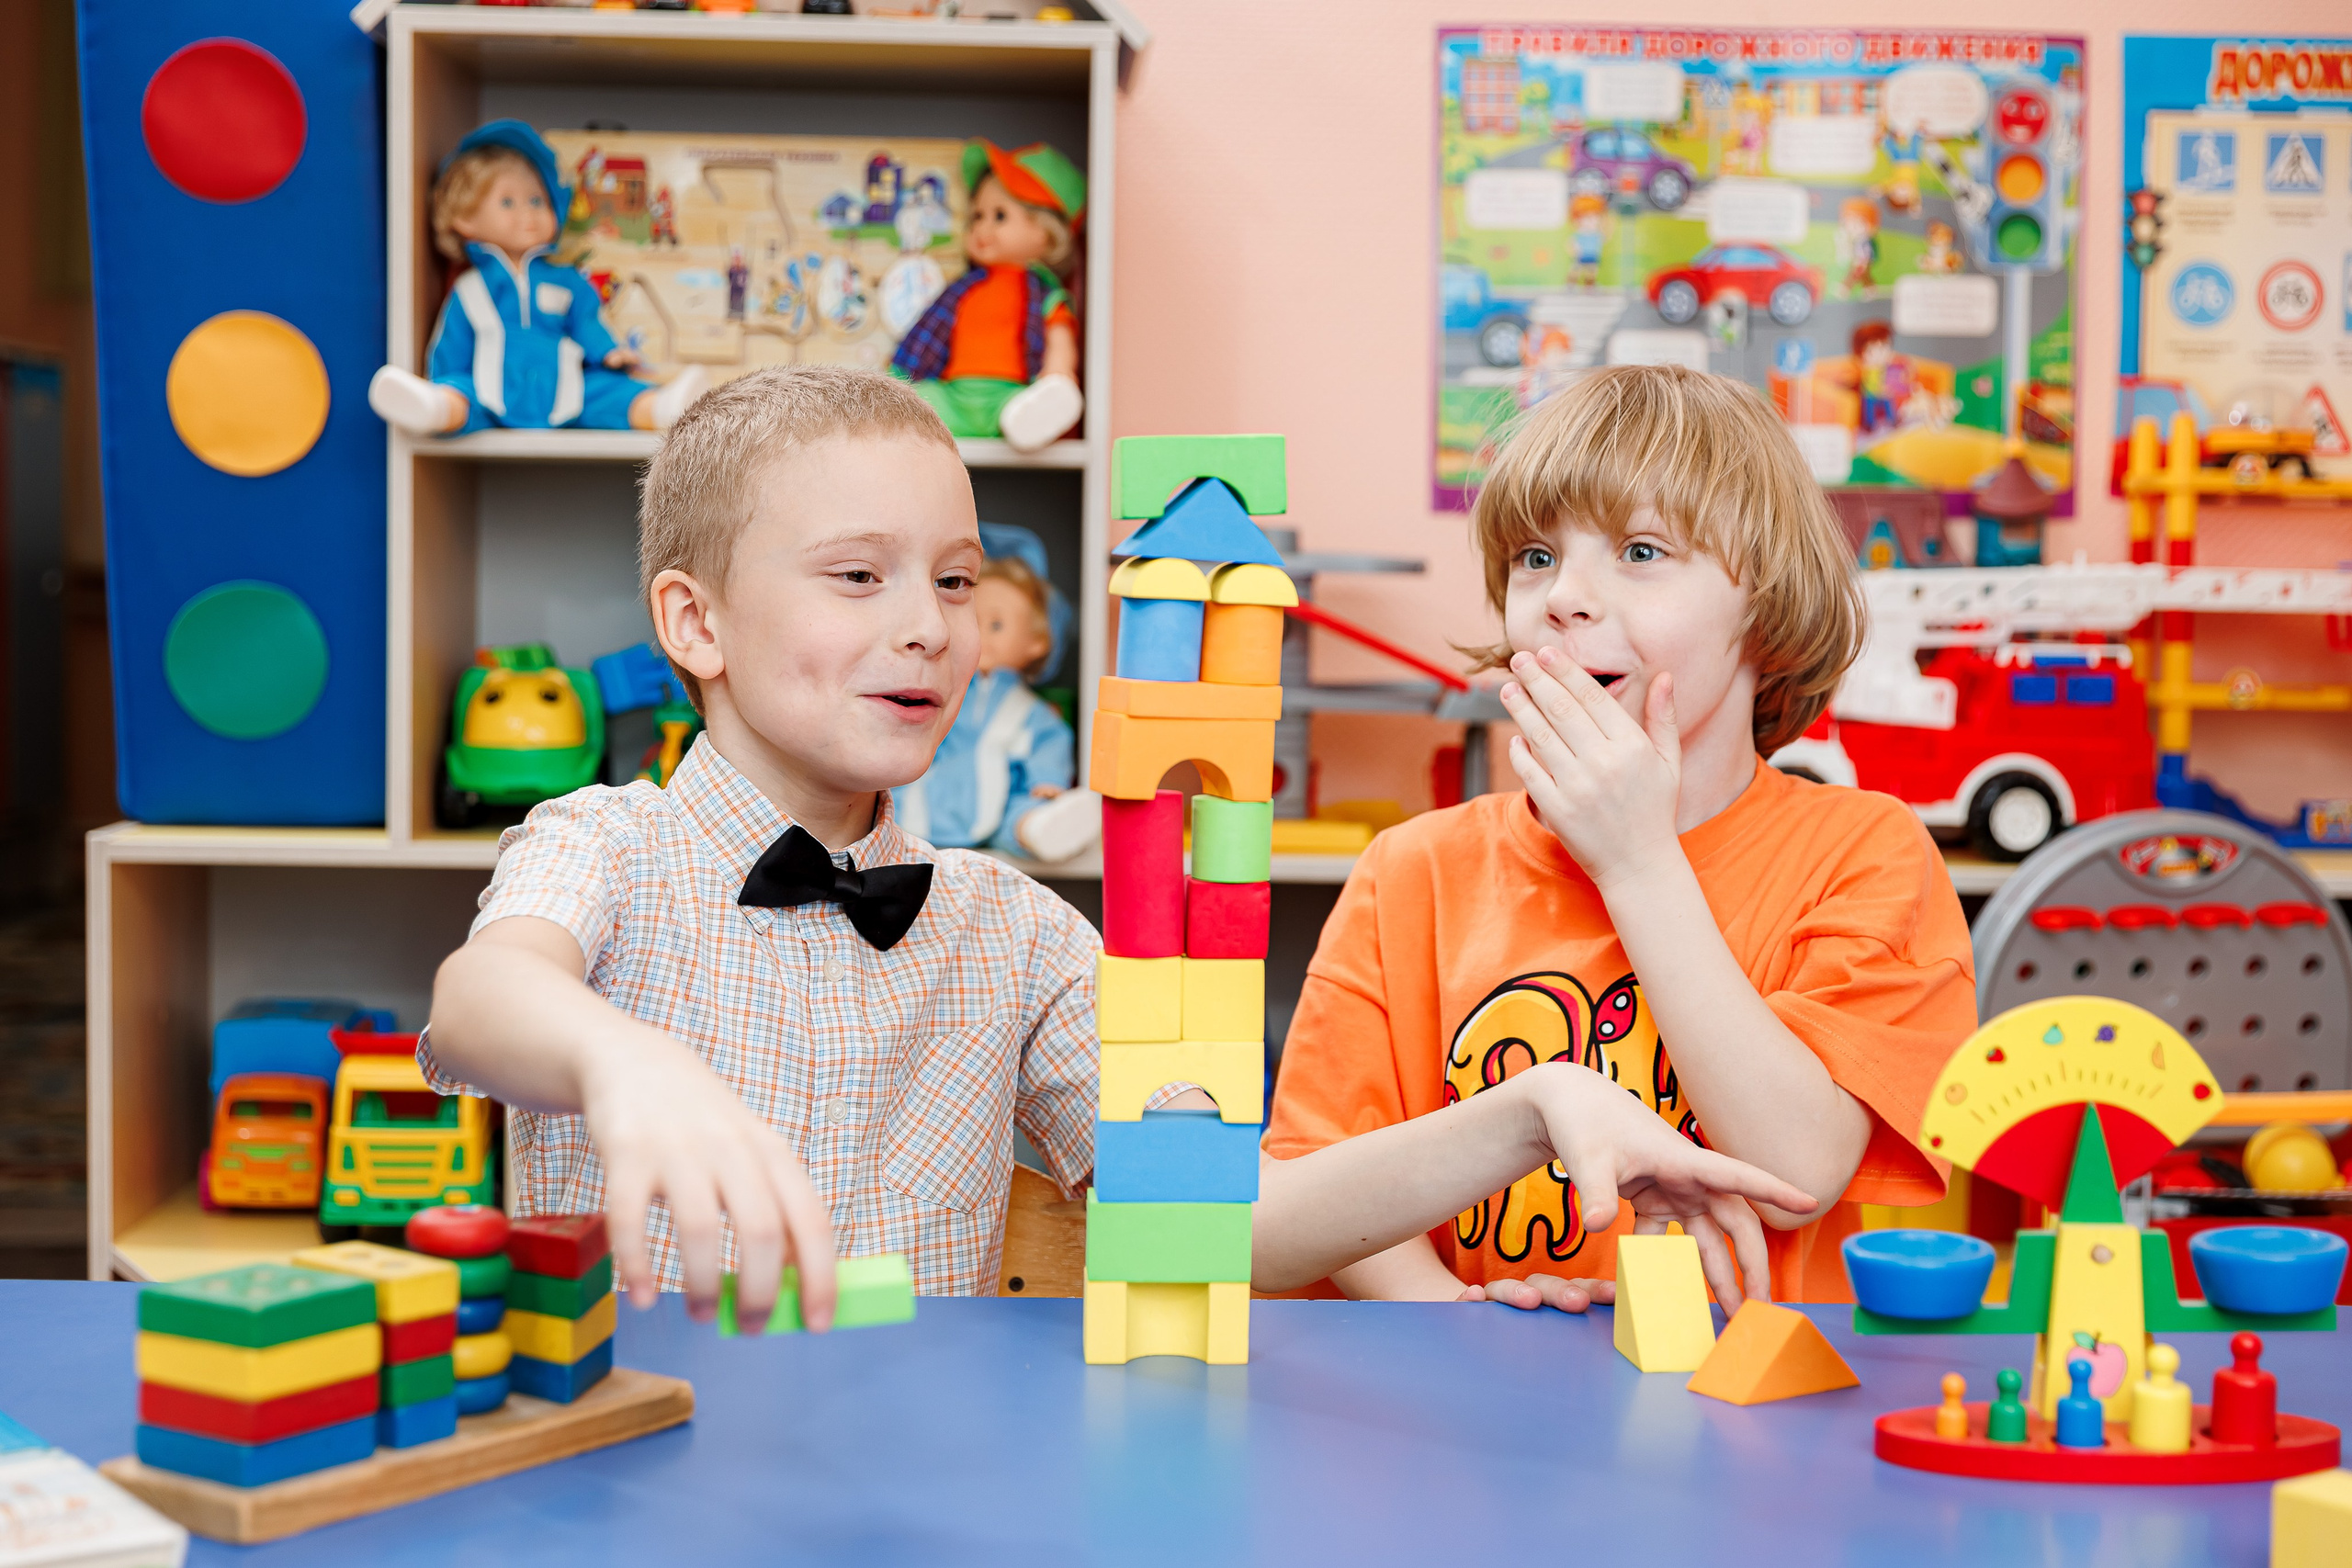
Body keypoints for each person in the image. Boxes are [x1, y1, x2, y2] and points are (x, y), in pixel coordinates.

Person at [1255, 365, 1975, 1312]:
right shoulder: (1413, 870)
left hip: (1752, 1422)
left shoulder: (1864, 853)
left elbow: (1799, 1168)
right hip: (1477, 1418)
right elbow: (1271, 1232)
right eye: (1534, 558)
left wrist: (1636, 862)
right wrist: (1448, 1321)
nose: (1564, 597)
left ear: (1763, 606)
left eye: (1639, 551)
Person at [420, 367, 1098, 1332]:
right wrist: (616, 1060)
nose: (928, 629)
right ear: (697, 624)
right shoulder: (602, 845)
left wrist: (1400, 1162)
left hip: (910, 1463)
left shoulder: (1018, 929)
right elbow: (475, 1003)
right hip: (634, 1458)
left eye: (955, 583)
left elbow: (1227, 1218)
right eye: (859, 576)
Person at [368, 120, 705, 438]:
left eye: (536, 200)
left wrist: (607, 352)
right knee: (460, 393)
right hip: (490, 389)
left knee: (607, 394)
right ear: (464, 219)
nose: (527, 214)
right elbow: (453, 343)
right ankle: (434, 407)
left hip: (563, 388)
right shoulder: (472, 289)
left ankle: (663, 410)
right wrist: (442, 380)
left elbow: (586, 322)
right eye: (507, 202)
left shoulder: (566, 281)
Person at [892, 552, 1094, 859]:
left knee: (1021, 810)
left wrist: (1048, 780)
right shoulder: (934, 688)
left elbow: (1049, 742)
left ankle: (1039, 829)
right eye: (973, 622)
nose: (982, 635)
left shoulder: (1029, 712)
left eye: (996, 625)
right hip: (923, 802)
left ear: (1036, 642)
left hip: (996, 808)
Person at [890, 140, 1086, 453]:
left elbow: (1060, 333)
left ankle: (1032, 417)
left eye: (999, 216)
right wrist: (898, 377)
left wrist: (1059, 373)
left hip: (1010, 395)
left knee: (1026, 409)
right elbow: (930, 331)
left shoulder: (1044, 292)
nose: (982, 228)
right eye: (977, 216)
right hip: (954, 396)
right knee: (916, 400)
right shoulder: (962, 289)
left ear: (1046, 234)